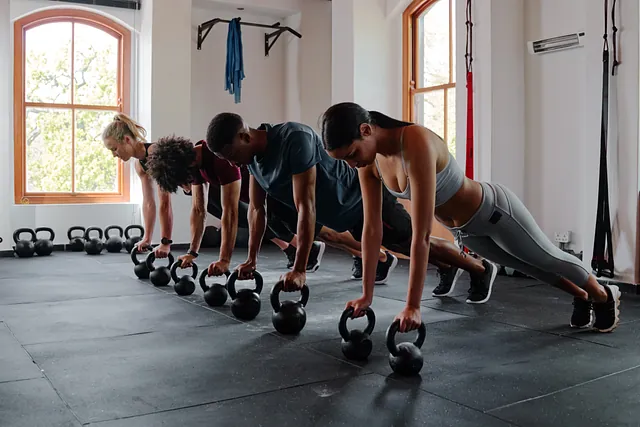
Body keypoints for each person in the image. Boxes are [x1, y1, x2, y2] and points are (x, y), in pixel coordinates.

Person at [319, 102, 621, 333]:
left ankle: (603, 294)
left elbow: (422, 235)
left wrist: (413, 306)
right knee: (531, 268)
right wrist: (366, 296)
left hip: (494, 212)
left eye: (351, 154)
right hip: (467, 230)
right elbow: (372, 231)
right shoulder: (369, 165)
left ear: (366, 131)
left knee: (547, 258)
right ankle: (582, 294)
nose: (351, 163)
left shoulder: (414, 142)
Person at [205, 113, 496, 298]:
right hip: (339, 213)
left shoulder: (294, 138)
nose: (231, 163)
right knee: (402, 247)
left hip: (360, 201)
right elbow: (258, 211)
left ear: (244, 135)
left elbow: (305, 205)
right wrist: (251, 259)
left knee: (412, 243)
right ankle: (447, 268)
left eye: (231, 154)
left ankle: (479, 268)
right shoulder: (254, 161)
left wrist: (299, 269)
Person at [144, 136, 326, 274]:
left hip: (281, 193)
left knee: (330, 233)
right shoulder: (196, 162)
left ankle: (354, 251)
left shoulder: (218, 158)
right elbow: (199, 209)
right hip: (262, 200)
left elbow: (230, 213)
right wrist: (192, 252)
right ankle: (313, 248)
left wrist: (224, 260)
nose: (186, 186)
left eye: (184, 182)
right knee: (279, 227)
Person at [102, 114, 173, 258]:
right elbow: (148, 203)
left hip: (206, 182)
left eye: (114, 149)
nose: (114, 155)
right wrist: (147, 238)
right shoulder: (139, 165)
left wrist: (165, 243)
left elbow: (165, 202)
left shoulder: (155, 153)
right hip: (192, 190)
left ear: (127, 140)